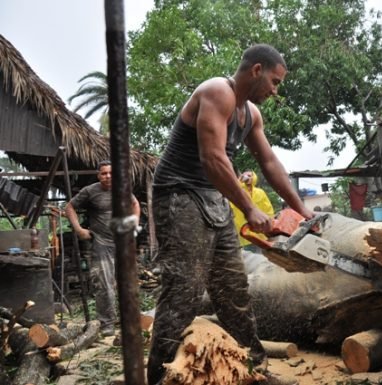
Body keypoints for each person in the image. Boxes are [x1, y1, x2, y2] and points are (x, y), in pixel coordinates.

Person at [147, 44, 314, 385]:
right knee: (183, 292)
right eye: (274, 81)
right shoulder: (216, 93)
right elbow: (213, 159)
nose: (275, 90)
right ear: (256, 70)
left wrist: (302, 211)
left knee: (233, 291)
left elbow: (269, 162)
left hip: (213, 197)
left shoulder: (251, 113)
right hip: (179, 194)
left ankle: (254, 369)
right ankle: (159, 377)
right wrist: (249, 207)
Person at [64, 160, 140, 337]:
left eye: (111, 173)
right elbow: (69, 207)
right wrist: (78, 229)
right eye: (104, 173)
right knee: (104, 285)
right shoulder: (90, 191)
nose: (108, 176)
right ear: (99, 175)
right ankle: (106, 323)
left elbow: (135, 205)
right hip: (101, 244)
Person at [231, 170, 275, 254]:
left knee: (262, 257)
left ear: (254, 177)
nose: (247, 177)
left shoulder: (260, 192)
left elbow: (268, 209)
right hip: (242, 231)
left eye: (250, 175)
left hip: (260, 232)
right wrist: (238, 182)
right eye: (245, 175)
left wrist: (270, 224)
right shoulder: (236, 191)